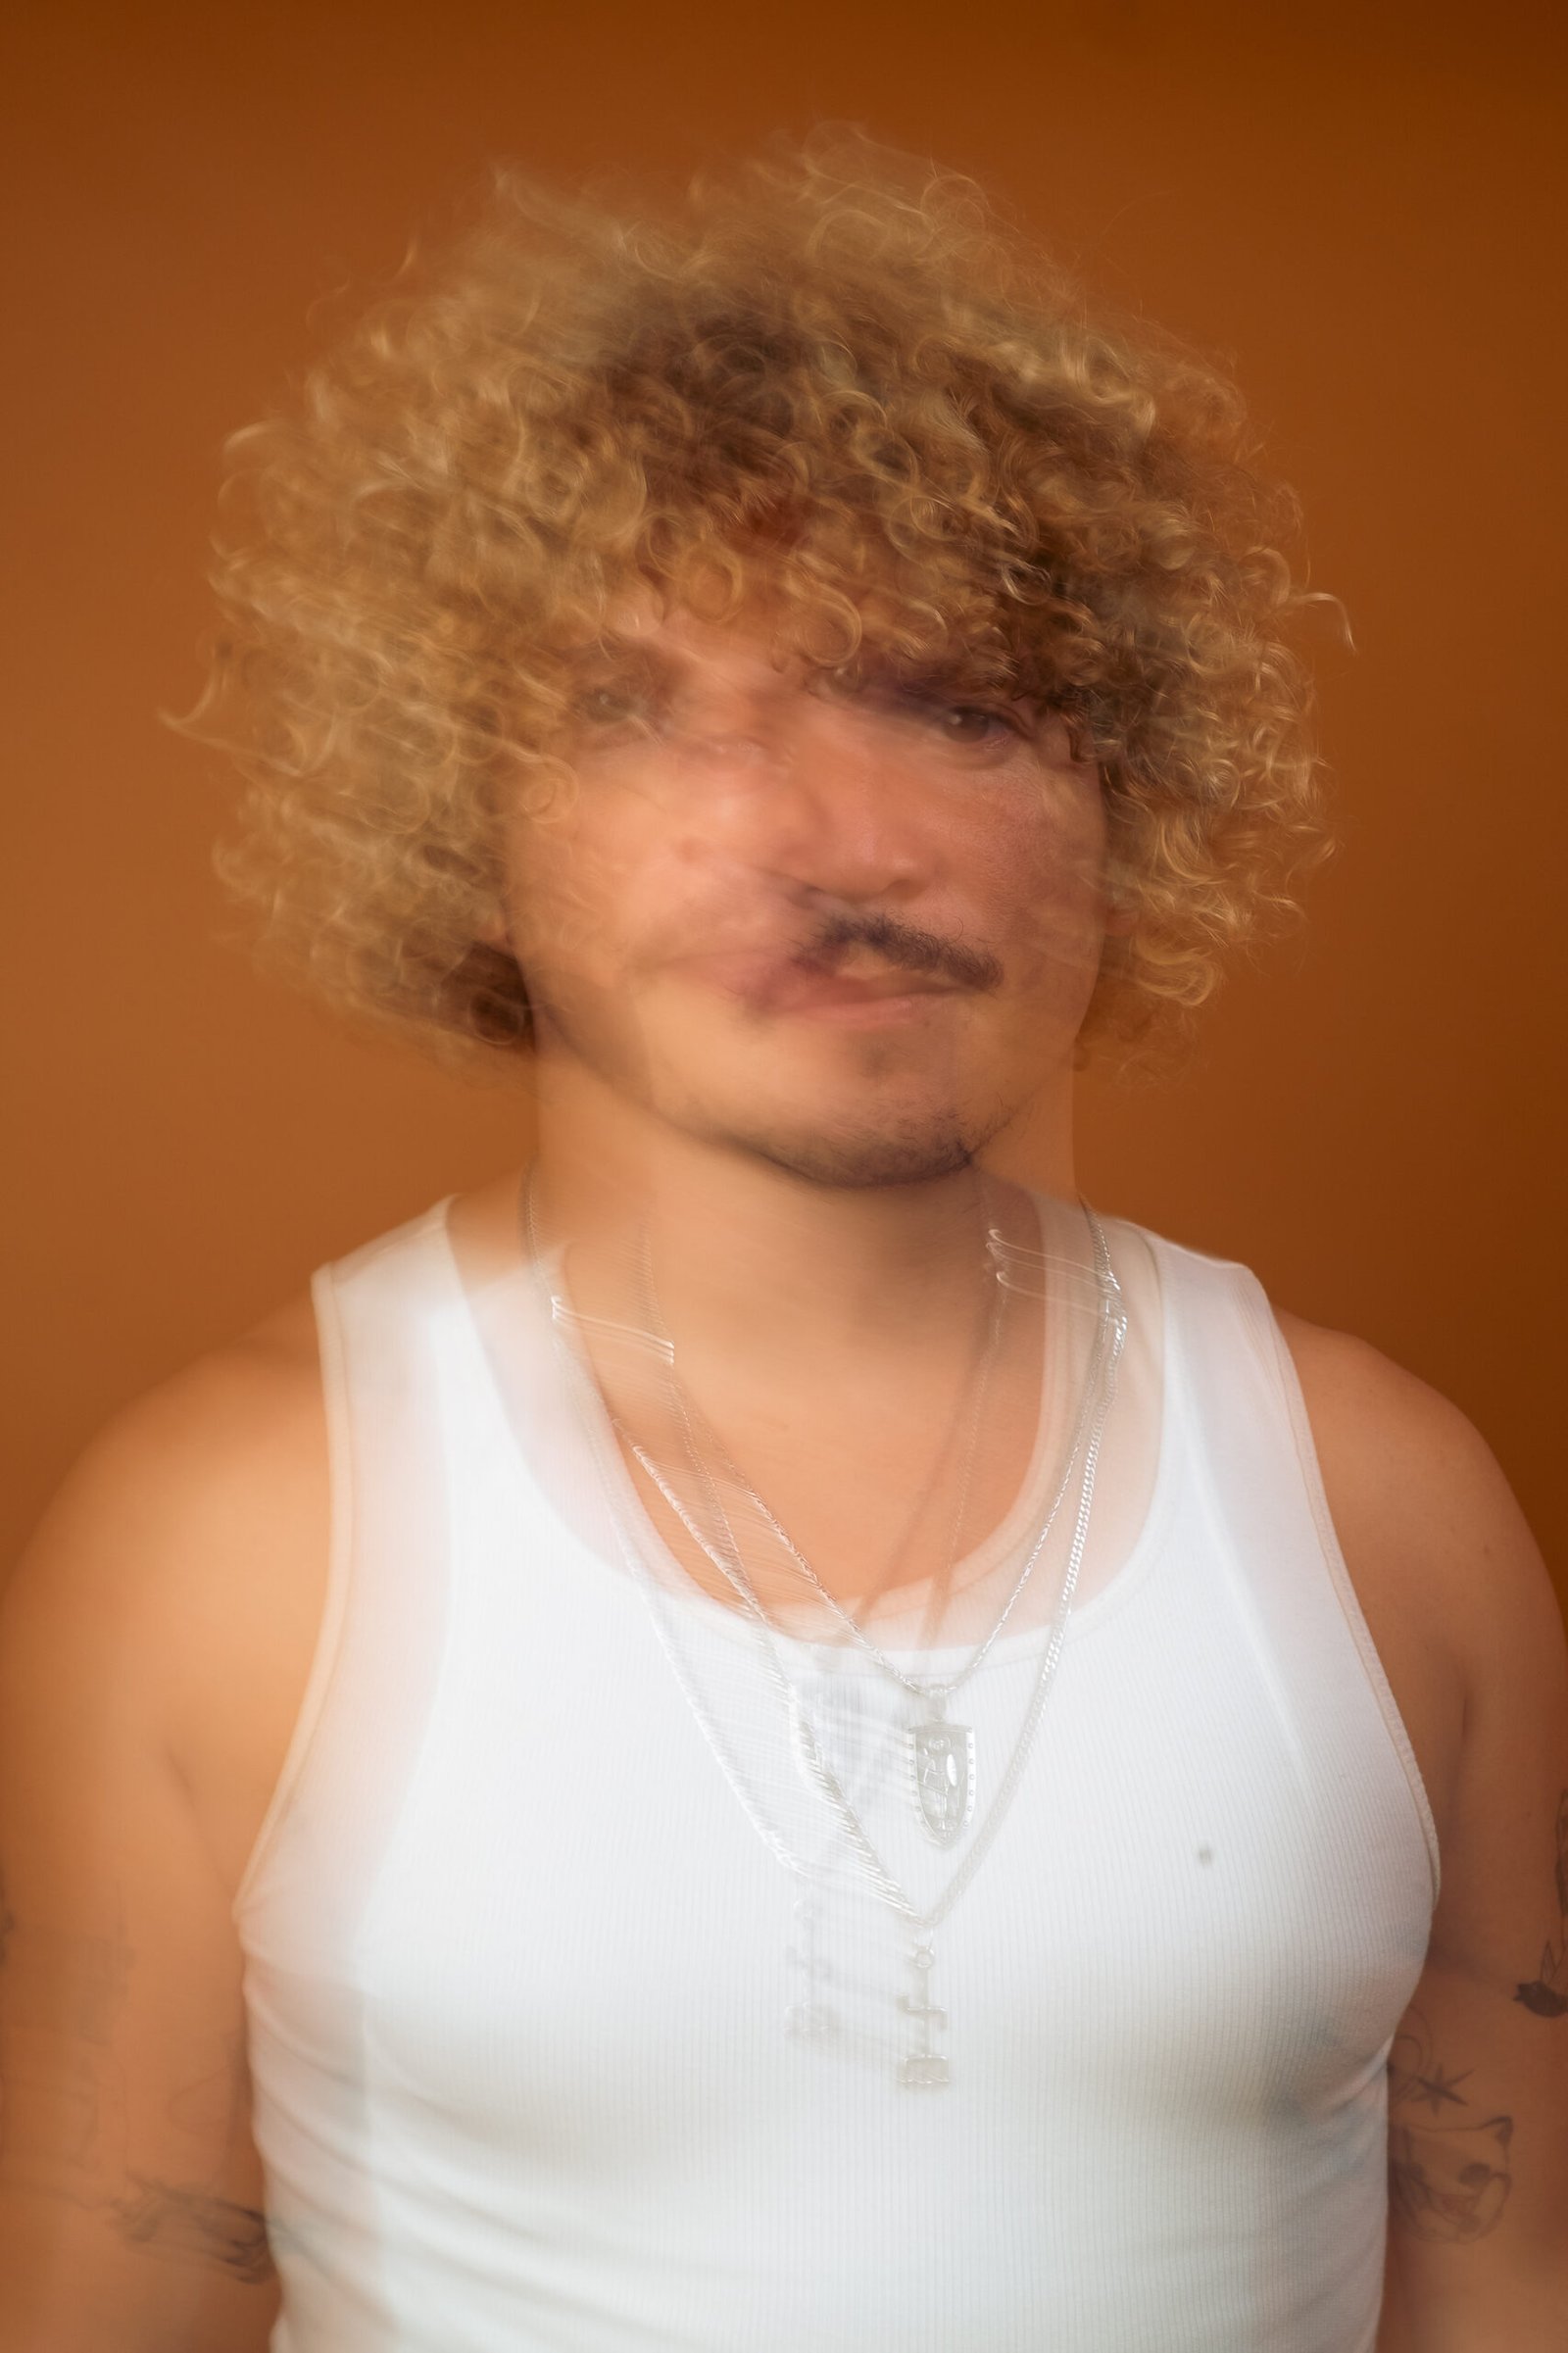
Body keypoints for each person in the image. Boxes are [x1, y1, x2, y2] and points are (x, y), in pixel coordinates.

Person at [1, 133, 1564, 2353]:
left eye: (954, 701)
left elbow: (1509, 2276)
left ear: (1121, 796)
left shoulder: (1388, 1507)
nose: (838, 839)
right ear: (466, 818)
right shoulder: (222, 1538)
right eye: (643, 707)